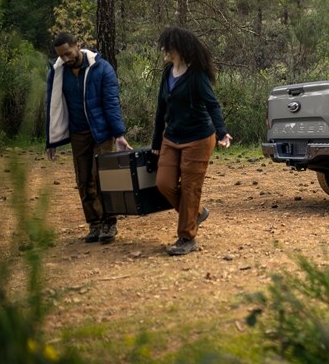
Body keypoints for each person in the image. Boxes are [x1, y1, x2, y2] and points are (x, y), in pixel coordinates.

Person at [151, 26, 232, 256]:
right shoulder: (167, 72)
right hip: (172, 137)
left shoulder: (196, 74)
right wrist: (157, 142)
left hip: (198, 138)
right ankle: (195, 212)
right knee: (163, 183)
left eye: (167, 46)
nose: (164, 50)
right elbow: (161, 108)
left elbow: (212, 104)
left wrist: (222, 132)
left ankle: (187, 238)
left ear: (178, 47)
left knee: (189, 187)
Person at [45, 32, 132, 244]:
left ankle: (109, 223)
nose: (65, 59)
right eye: (61, 56)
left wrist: (118, 134)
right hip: (78, 133)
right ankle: (94, 223)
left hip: (101, 133)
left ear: (78, 45)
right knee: (83, 180)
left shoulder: (102, 69)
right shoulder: (58, 72)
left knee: (102, 176)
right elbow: (53, 106)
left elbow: (111, 104)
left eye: (68, 53)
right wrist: (51, 139)